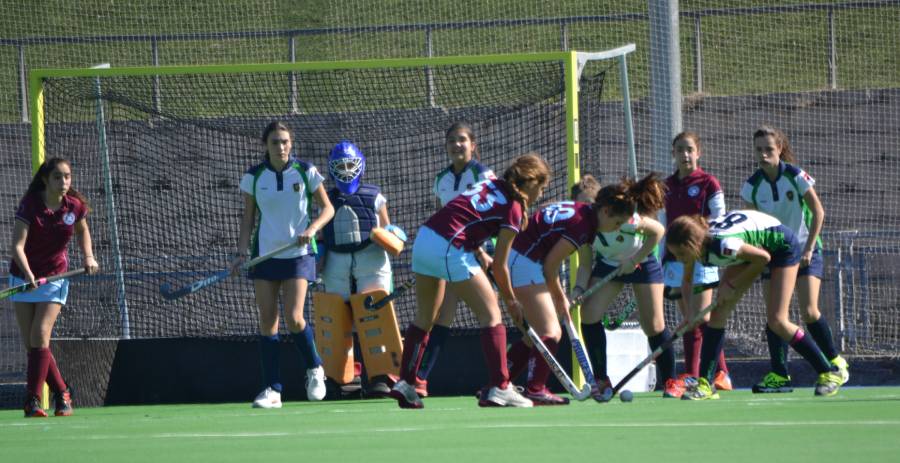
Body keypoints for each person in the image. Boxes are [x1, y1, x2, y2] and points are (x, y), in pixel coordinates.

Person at [389, 153, 550, 409]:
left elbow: (467, 217)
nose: (540, 194)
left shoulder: (491, 183)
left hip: (424, 239)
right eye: (541, 188)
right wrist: (512, 301)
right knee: (492, 314)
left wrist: (477, 252)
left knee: (424, 318)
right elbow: (500, 266)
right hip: (450, 247)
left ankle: (406, 383)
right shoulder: (514, 209)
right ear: (530, 182)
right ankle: (501, 387)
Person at [666, 210, 844, 399]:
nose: (678, 258)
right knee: (717, 316)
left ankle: (829, 372)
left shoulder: (724, 245)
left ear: (692, 245)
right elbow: (687, 281)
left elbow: (763, 259)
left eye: (680, 254)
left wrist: (731, 286)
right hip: (752, 249)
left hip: (781, 247)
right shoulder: (694, 250)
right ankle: (706, 384)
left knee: (778, 320)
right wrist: (689, 315)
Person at [232, 121, 335, 408]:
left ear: (291, 144)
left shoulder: (305, 172)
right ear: (266, 145)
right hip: (264, 254)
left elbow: (328, 208)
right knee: (268, 321)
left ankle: (315, 368)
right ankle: (272, 390)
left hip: (298, 256)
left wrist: (312, 229)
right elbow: (248, 219)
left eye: (285, 141)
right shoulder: (254, 176)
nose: (281, 147)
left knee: (294, 318)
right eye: (276, 142)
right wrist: (241, 253)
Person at [741, 125, 848, 393]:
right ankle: (779, 374)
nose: (764, 154)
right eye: (759, 150)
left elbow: (818, 212)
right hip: (775, 257)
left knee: (809, 311)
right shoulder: (752, 186)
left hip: (804, 250)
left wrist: (810, 248)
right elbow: (752, 226)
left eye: (769, 149)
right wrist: (760, 255)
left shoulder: (795, 176)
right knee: (775, 316)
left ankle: (835, 363)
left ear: (779, 149)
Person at [572, 174, 680, 400]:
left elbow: (658, 231)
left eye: (590, 205)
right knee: (589, 315)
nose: (587, 210)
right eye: (581, 205)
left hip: (643, 260)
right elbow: (584, 265)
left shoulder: (628, 219)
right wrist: (578, 290)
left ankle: (670, 381)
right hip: (608, 264)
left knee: (653, 325)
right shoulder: (582, 227)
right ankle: (602, 379)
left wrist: (635, 260)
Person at [501, 175, 603, 405]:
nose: (588, 207)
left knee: (532, 337)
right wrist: (560, 299)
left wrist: (570, 293)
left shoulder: (567, 210)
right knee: (551, 332)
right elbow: (550, 266)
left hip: (522, 260)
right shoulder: (581, 222)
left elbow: (575, 263)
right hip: (525, 262)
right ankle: (535, 388)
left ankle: (498, 383)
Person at [9, 157, 100, 417]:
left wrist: (89, 257)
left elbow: (83, 232)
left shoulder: (74, 207)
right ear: (46, 180)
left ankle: (32, 401)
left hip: (55, 278)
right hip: (23, 277)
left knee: (40, 334)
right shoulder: (30, 205)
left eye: (67, 176)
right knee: (33, 346)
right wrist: (28, 275)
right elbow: (17, 246)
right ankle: (62, 393)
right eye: (58, 177)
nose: (64, 182)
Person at [315, 140, 405, 398]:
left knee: (374, 313)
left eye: (349, 164)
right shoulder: (327, 199)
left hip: (370, 257)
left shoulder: (374, 196)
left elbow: (388, 228)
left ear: (360, 165)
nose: (345, 169)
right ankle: (335, 377)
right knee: (335, 316)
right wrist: (316, 261)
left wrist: (394, 237)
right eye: (340, 165)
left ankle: (379, 375)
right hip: (336, 259)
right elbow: (321, 236)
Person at [414, 122, 496, 397]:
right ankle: (419, 379)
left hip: (485, 254)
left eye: (462, 140)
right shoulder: (441, 180)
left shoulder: (484, 175)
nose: (456, 145)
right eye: (451, 141)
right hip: (454, 253)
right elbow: (444, 220)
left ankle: (510, 378)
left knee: (501, 311)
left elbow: (491, 217)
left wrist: (482, 251)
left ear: (473, 145)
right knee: (443, 317)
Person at [660, 131, 731, 397]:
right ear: (674, 153)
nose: (685, 154)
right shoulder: (667, 186)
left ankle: (692, 375)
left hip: (702, 257)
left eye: (689, 149)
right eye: (680, 150)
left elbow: (719, 219)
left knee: (697, 320)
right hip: (676, 259)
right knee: (694, 319)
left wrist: (698, 238)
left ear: (698, 152)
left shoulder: (708, 183)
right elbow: (665, 222)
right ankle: (721, 373)